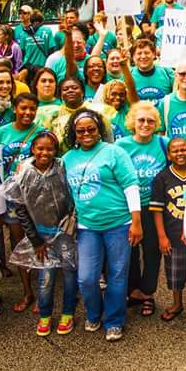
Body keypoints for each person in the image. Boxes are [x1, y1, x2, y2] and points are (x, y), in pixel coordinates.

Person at [64, 110, 142, 341]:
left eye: (91, 129)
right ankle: (93, 313)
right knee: (86, 278)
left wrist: (136, 221)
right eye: (81, 131)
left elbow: (130, 185)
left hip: (119, 223)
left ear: (99, 130)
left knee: (118, 274)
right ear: (74, 134)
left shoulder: (114, 152)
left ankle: (114, 321)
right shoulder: (68, 158)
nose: (86, 133)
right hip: (87, 226)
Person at [4, 132, 78, 337]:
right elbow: (20, 208)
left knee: (71, 274)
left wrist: (72, 222)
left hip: (65, 232)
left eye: (49, 149)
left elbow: (73, 195)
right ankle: (45, 315)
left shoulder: (62, 167)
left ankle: (68, 313)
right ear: (33, 149)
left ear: (55, 151)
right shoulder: (25, 172)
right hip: (42, 237)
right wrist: (35, 240)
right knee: (46, 279)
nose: (44, 153)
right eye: (40, 148)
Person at [116, 102, 168, 318]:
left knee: (153, 250)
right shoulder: (121, 146)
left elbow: (180, 159)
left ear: (156, 124)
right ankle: (134, 290)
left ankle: (148, 293)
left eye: (150, 121)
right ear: (132, 123)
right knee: (131, 250)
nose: (145, 124)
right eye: (141, 120)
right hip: (128, 206)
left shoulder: (163, 143)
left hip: (154, 207)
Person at [151, 137, 186, 327]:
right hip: (172, 233)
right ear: (169, 155)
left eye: (183, 149)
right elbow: (157, 210)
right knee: (174, 273)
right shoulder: (162, 178)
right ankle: (177, 304)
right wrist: (162, 237)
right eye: (175, 151)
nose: (180, 154)